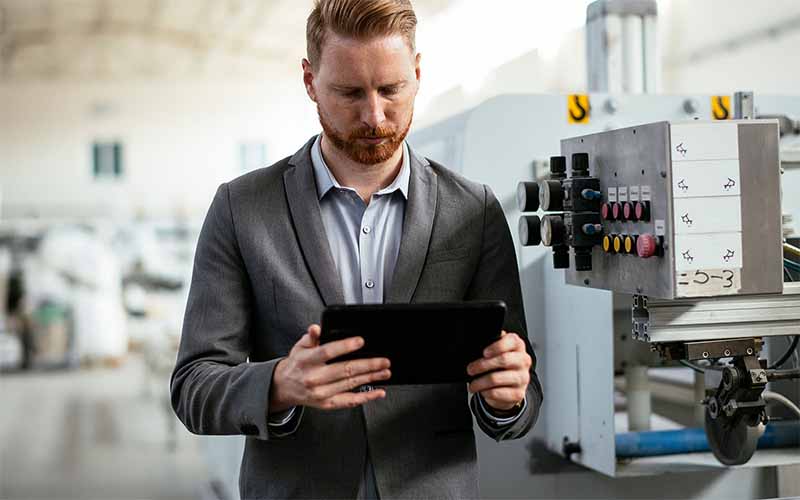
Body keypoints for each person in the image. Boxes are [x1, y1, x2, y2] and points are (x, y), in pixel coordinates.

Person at [170, 0, 543, 498]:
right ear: (309, 81)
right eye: (349, 93)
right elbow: (194, 385)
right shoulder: (242, 209)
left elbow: (520, 396)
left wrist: (508, 397)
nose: (374, 116)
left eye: (391, 89)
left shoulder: (473, 210)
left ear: (416, 72)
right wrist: (280, 383)